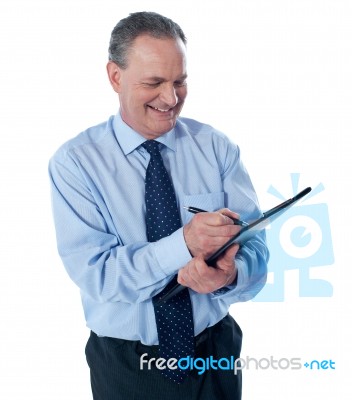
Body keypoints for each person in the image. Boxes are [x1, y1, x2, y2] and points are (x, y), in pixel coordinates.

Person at [49, 11, 268, 400]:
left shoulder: (215, 148)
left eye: (179, 82)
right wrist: (184, 243)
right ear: (115, 77)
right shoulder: (76, 163)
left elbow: (256, 246)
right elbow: (98, 275)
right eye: (154, 83)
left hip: (214, 351)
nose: (171, 99)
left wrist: (230, 276)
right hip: (126, 366)